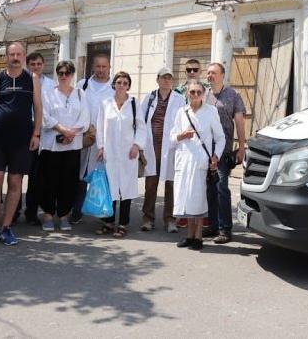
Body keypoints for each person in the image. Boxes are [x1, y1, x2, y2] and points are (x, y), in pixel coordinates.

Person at [0, 41, 43, 246]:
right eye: (12, 54)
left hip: (22, 140)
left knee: (15, 183)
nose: (15, 57)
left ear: (23, 56)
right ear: (6, 56)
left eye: (19, 54)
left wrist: (36, 134)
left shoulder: (32, 78)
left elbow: (38, 109)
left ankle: (6, 227)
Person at [171, 81, 224, 251]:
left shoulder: (211, 111)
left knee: (198, 199)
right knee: (186, 198)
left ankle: (198, 237)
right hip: (184, 161)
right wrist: (181, 136)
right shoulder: (181, 112)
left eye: (198, 92)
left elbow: (220, 137)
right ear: (187, 93)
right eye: (192, 92)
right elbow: (172, 136)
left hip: (201, 162)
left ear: (204, 93)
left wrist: (216, 156)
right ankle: (189, 236)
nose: (195, 95)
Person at [38, 60, 89, 232]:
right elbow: (44, 116)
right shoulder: (48, 93)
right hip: (51, 145)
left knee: (69, 182)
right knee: (48, 181)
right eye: (60, 73)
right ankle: (47, 215)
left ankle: (64, 215)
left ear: (73, 75)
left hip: (72, 145)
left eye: (67, 73)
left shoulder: (80, 94)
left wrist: (71, 133)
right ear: (57, 74)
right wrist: (63, 130)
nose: (64, 76)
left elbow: (85, 119)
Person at [96, 71, 146, 238]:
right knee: (109, 188)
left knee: (126, 189)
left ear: (128, 86)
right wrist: (101, 147)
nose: (122, 85)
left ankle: (123, 224)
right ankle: (108, 223)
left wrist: (137, 146)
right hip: (110, 152)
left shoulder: (133, 104)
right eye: (119, 82)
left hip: (128, 153)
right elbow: (100, 126)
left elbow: (141, 127)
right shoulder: (106, 103)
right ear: (114, 84)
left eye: (125, 83)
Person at [203, 61, 247, 244]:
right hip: (205, 149)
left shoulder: (233, 95)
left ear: (222, 75)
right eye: (208, 73)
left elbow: (240, 123)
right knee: (210, 188)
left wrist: (242, 147)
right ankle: (213, 225)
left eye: (213, 72)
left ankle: (225, 229)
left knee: (221, 187)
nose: (209, 76)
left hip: (223, 149)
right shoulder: (203, 95)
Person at [140, 67, 186, 233]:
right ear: (157, 79)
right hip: (152, 146)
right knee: (150, 184)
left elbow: (183, 123)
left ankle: (170, 220)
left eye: (169, 78)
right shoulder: (150, 97)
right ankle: (148, 218)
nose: (166, 80)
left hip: (171, 147)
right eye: (163, 78)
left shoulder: (180, 99)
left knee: (171, 184)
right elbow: (140, 119)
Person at [71, 52, 111, 223]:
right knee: (80, 174)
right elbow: (75, 108)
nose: (101, 70)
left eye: (104, 66)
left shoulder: (114, 87)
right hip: (84, 135)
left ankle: (103, 213)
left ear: (109, 68)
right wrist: (85, 128)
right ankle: (76, 210)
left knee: (102, 175)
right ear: (93, 67)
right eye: (98, 66)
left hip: (104, 138)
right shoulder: (83, 84)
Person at [18, 51, 54, 226]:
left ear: (43, 65)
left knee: (36, 176)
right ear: (27, 65)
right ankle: (14, 211)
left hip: (42, 132)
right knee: (17, 174)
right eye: (32, 64)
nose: (36, 67)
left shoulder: (51, 84)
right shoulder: (20, 81)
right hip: (22, 131)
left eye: (39, 64)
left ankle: (31, 212)